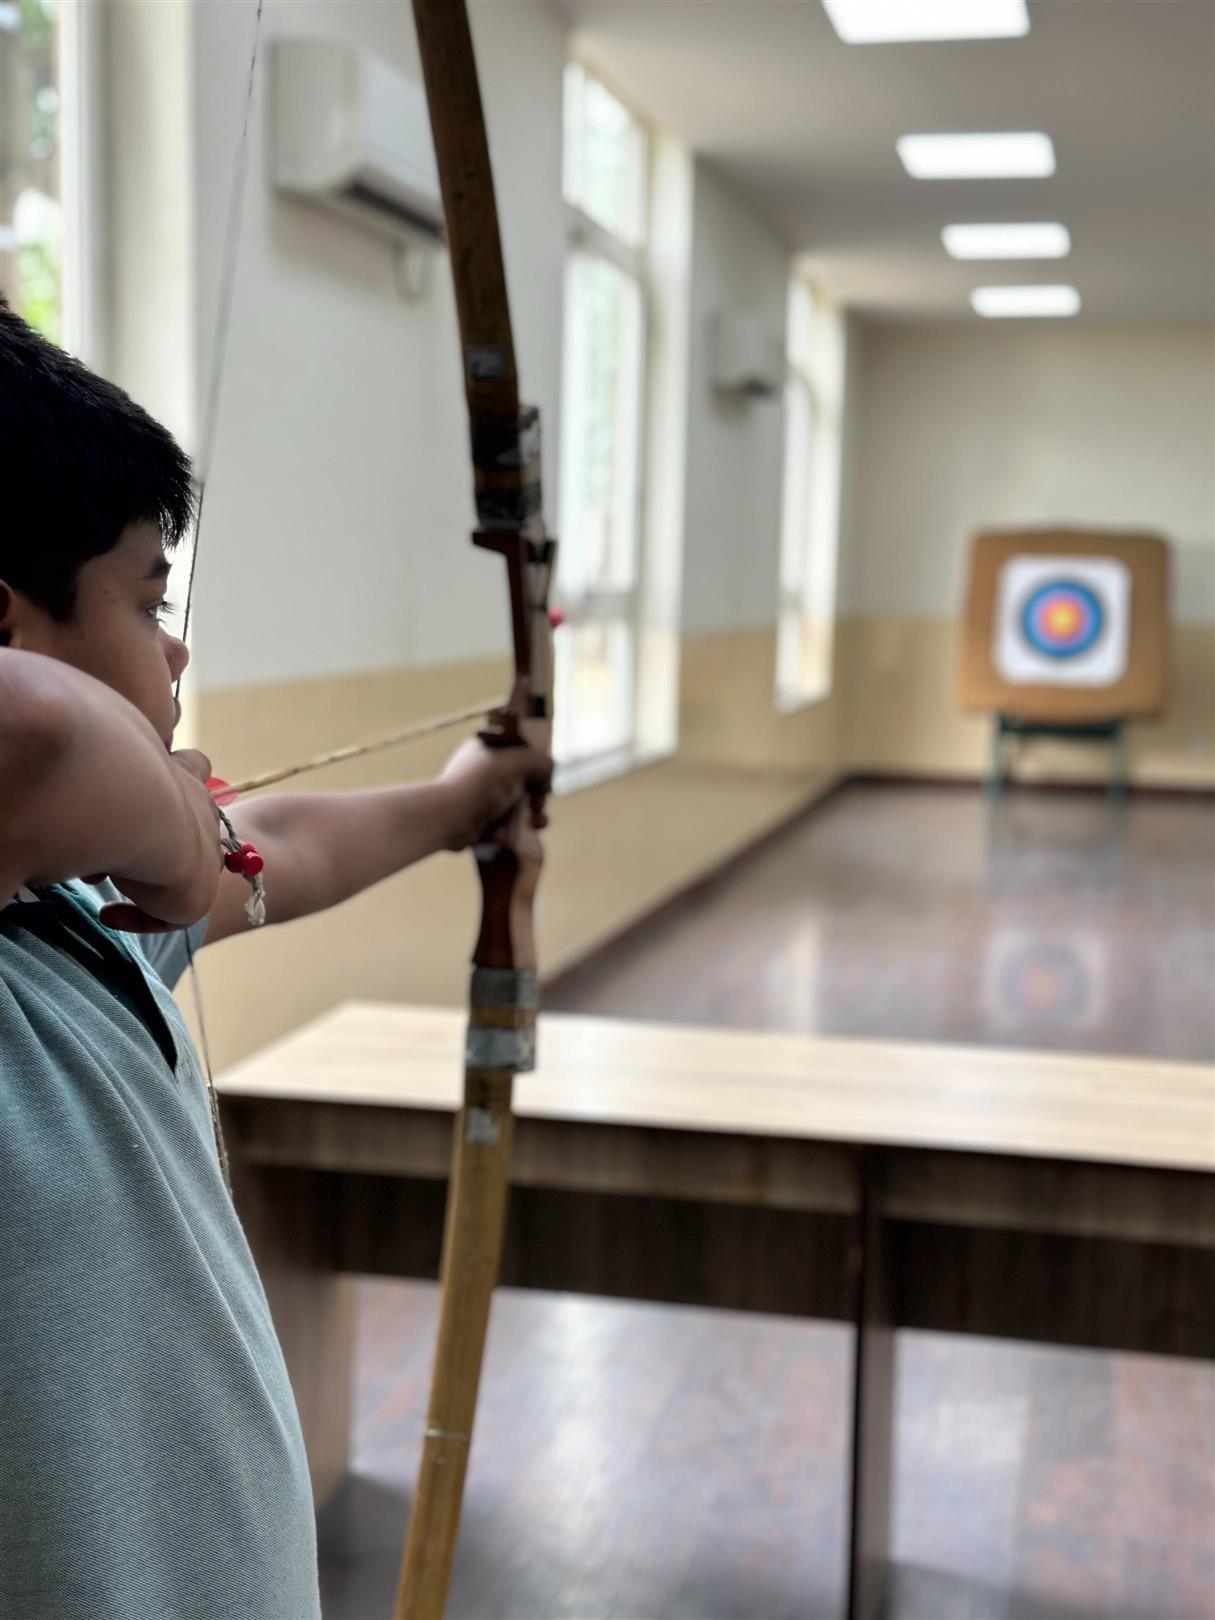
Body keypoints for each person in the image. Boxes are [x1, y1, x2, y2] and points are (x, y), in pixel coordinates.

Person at [0, 298, 550, 1620]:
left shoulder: (76, 914)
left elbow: (279, 849)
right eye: (148, 600)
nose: (175, 646)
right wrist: (165, 820)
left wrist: (462, 803)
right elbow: (38, 731)